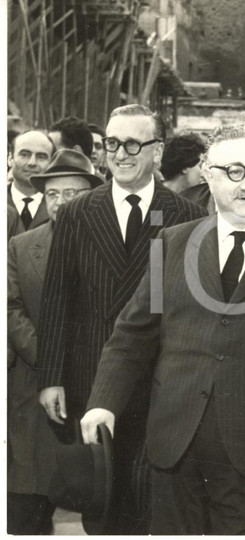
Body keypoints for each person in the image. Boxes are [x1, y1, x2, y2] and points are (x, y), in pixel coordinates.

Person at [80, 122, 245, 534]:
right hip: (175, 447)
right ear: (208, 174)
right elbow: (132, 335)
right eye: (233, 171)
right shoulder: (173, 242)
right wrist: (103, 402)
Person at [36, 104, 206, 534]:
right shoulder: (77, 212)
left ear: (157, 150)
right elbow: (58, 300)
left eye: (133, 143)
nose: (121, 153)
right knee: (103, 503)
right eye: (112, 143)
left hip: (160, 382)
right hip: (91, 379)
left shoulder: (187, 215)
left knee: (153, 499)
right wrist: (51, 376)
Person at [7, 149, 103, 534]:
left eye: (72, 193)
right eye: (53, 194)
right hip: (34, 391)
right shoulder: (20, 245)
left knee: (101, 496)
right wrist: (51, 363)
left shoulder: (113, 246)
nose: (62, 202)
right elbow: (11, 310)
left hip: (97, 385)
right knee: (30, 500)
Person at [7, 130, 55, 234]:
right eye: (24, 155)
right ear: (10, 158)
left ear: (52, 163)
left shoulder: (59, 207)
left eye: (41, 157)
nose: (32, 163)